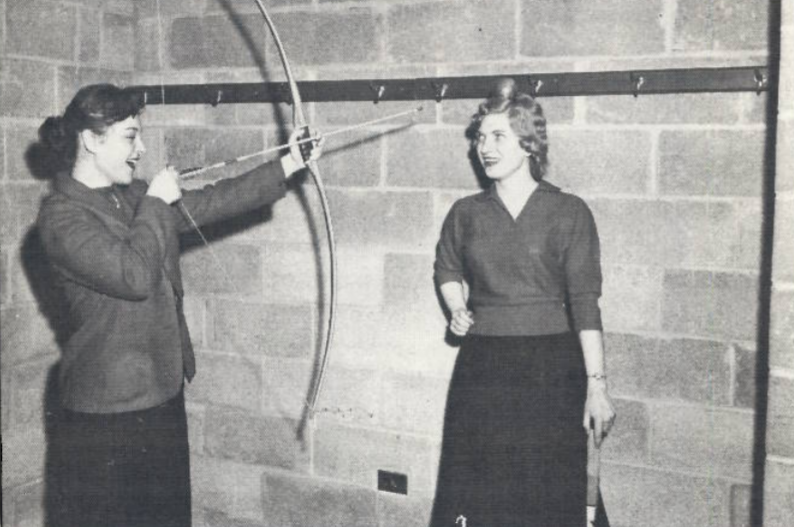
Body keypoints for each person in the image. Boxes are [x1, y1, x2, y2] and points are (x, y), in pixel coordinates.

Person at [36, 83, 321, 527]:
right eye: (130, 136)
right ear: (91, 140)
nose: (141, 149)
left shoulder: (131, 196)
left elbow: (212, 202)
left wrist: (289, 162)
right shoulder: (61, 217)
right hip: (104, 416)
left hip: (161, 398)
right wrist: (155, 202)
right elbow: (132, 275)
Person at [431, 78, 616, 527]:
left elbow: (585, 303)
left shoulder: (569, 211)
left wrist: (597, 387)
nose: (484, 148)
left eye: (498, 136)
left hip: (550, 369)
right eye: (480, 138)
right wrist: (457, 308)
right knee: (479, 491)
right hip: (482, 368)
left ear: (528, 143)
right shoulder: (466, 212)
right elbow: (447, 268)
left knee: (547, 492)